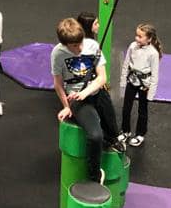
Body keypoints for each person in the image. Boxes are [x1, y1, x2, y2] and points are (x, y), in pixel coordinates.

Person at [51, 17, 123, 183]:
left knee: (113, 132)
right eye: (75, 46)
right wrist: (67, 106)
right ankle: (94, 176)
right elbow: (58, 84)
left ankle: (112, 138)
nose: (80, 48)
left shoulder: (92, 46)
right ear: (65, 44)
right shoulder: (58, 53)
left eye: (81, 42)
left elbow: (102, 78)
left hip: (96, 92)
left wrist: (86, 92)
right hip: (76, 100)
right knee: (95, 136)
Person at [118, 23, 163, 148]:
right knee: (126, 107)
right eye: (136, 35)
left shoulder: (153, 53)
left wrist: (151, 94)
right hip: (132, 80)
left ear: (149, 39)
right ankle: (125, 130)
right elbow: (126, 64)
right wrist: (123, 81)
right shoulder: (132, 46)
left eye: (140, 36)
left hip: (145, 84)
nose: (137, 38)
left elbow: (155, 75)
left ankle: (140, 134)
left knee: (142, 110)